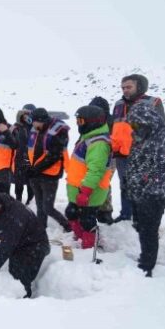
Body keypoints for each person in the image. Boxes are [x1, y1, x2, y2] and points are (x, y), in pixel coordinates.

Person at [125, 103, 165, 277]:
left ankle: (147, 265)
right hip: (138, 189)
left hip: (155, 193)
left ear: (148, 120)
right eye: (132, 125)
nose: (134, 128)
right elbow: (135, 160)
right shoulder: (141, 134)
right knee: (141, 225)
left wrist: (148, 193)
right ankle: (145, 256)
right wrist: (130, 183)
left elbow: (164, 170)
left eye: (137, 124)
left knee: (149, 228)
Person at [111, 74, 165, 222]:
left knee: (142, 186)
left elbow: (162, 129)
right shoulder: (118, 104)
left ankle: (141, 218)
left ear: (140, 86)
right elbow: (114, 128)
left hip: (142, 155)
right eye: (123, 87)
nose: (125, 90)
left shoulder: (152, 103)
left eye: (129, 87)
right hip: (121, 154)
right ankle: (126, 215)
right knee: (125, 185)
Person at [0, 190, 50, 298]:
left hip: (36, 246)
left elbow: (7, 246)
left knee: (20, 278)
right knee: (13, 271)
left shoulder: (16, 215)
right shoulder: (0, 208)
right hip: (21, 242)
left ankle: (25, 302)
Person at [64, 105, 113, 253]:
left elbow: (96, 171)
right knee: (71, 212)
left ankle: (89, 245)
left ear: (92, 122)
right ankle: (80, 237)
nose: (78, 124)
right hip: (78, 188)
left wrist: (85, 191)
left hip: (91, 190)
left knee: (87, 219)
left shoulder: (98, 143)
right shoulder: (88, 137)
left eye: (81, 121)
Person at [26, 108, 72, 233]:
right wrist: (29, 168)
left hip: (50, 175)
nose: (33, 125)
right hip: (35, 173)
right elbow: (29, 150)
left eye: (34, 122)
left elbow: (54, 156)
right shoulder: (36, 129)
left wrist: (35, 169)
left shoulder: (58, 131)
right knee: (39, 204)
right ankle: (41, 227)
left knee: (48, 207)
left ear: (41, 120)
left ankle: (67, 225)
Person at [89, 96, 115, 225]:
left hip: (109, 157)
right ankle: (98, 210)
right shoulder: (92, 121)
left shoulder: (110, 122)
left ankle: (105, 212)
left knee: (102, 182)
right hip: (93, 156)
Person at [11, 104, 36, 204]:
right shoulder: (16, 126)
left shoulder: (36, 127)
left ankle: (30, 201)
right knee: (18, 182)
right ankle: (18, 201)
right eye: (24, 113)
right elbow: (9, 138)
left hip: (32, 159)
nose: (26, 116)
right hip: (19, 159)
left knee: (31, 183)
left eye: (29, 113)